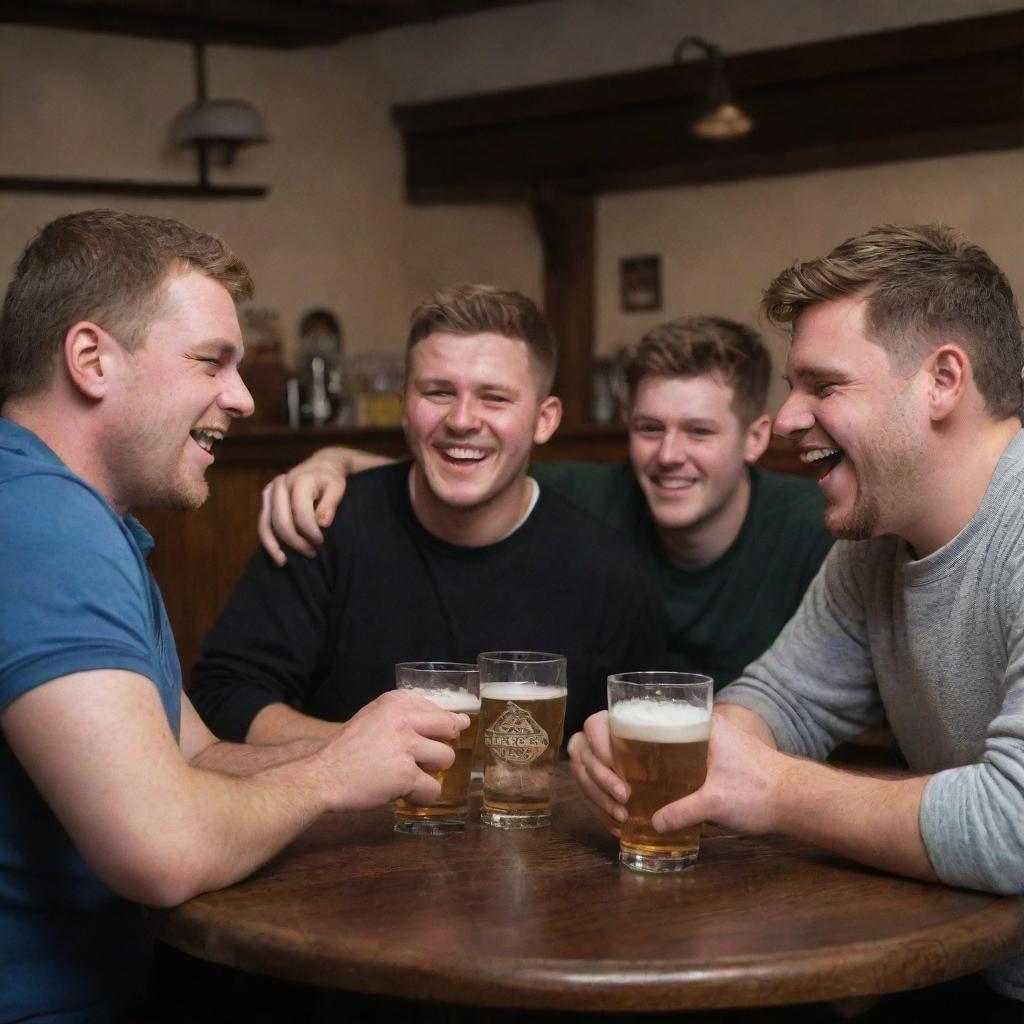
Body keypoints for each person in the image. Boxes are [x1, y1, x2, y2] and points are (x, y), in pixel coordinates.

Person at [0, 210, 469, 1023]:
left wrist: (364, 756)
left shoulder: (77, 515)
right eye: (212, 362)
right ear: (90, 358)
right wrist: (327, 778)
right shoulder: (45, 524)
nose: (244, 398)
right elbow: (161, 848)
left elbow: (200, 757)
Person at [569, 223, 1024, 1014]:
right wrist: (682, 757)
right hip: (963, 973)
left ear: (943, 380)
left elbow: (1014, 827)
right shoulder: (877, 536)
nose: (785, 419)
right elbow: (785, 701)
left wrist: (773, 790)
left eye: (823, 385)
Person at [189, 284, 663, 746]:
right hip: (350, 823)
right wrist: (360, 749)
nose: (461, 420)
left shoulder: (608, 571)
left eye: (494, 397)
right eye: (438, 392)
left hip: (534, 824)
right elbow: (224, 696)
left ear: (545, 420)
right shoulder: (326, 527)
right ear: (404, 408)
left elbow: (634, 741)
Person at [256, 316, 833, 687]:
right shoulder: (592, 497)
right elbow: (466, 472)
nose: (668, 456)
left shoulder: (814, 528)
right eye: (650, 428)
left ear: (756, 438)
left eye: (700, 432)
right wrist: (330, 461)